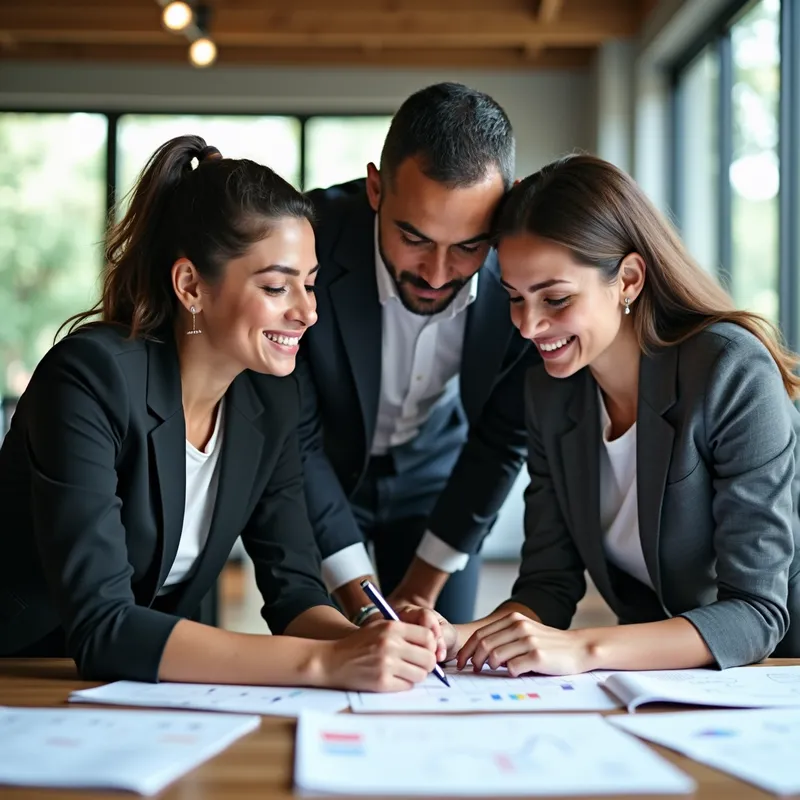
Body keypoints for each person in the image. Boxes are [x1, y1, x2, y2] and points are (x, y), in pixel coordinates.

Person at [0, 135, 441, 691]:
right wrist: (326, 664)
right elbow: (102, 625)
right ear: (191, 286)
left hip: (133, 685)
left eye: (310, 284)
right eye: (278, 287)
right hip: (24, 671)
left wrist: (375, 635)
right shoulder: (89, 377)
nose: (307, 312)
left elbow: (296, 593)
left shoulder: (271, 400)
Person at [431, 153, 800, 673]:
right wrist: (449, 636)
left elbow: (756, 612)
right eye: (514, 298)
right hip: (669, 681)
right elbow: (548, 584)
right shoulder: (547, 390)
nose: (528, 326)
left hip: (781, 670)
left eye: (555, 299)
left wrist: (583, 649)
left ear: (628, 279)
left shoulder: (730, 370)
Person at [296, 82, 537, 626]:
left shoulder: (529, 276)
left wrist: (420, 594)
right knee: (327, 657)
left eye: (469, 246)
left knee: (436, 661)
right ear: (376, 189)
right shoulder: (304, 241)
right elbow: (295, 436)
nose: (435, 274)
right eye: (415, 237)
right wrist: (369, 609)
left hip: (438, 473)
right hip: (320, 471)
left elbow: (505, 437)